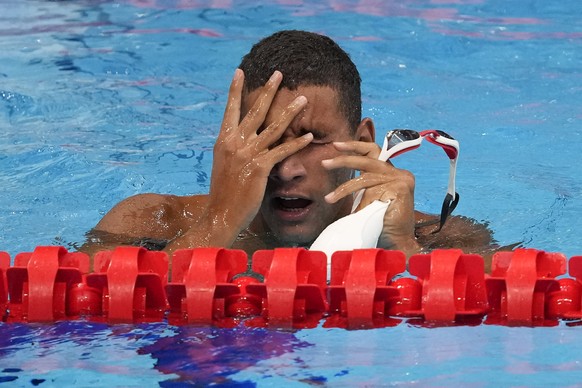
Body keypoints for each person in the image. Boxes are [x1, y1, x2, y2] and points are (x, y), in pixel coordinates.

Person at [81, 30, 493, 263]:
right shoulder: (148, 224)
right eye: (266, 139)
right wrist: (219, 222)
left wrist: (401, 249)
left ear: (364, 142)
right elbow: (85, 305)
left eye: (312, 140)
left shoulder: (444, 238)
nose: (286, 169)